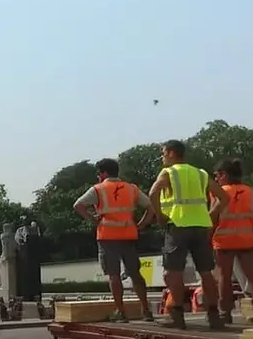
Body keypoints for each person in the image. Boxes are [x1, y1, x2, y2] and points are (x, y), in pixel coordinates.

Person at [148, 140, 230, 329]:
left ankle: (177, 314)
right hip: (201, 226)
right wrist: (209, 215)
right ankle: (213, 315)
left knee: (173, 273)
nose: (162, 157)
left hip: (177, 225)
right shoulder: (200, 173)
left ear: (170, 153)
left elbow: (153, 192)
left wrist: (160, 215)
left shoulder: (169, 172)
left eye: (163, 153)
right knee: (206, 273)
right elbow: (224, 197)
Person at [73, 158, 155, 322]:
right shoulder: (131, 188)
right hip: (129, 235)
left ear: (103, 173)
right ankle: (146, 310)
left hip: (107, 236)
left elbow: (78, 205)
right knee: (135, 273)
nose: (98, 177)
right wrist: (142, 224)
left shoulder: (98, 189)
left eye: (98, 174)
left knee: (114, 275)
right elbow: (150, 207)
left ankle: (121, 312)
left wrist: (93, 220)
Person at [211, 158, 253, 324]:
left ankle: (225, 314)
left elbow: (213, 217)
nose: (216, 179)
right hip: (247, 240)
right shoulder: (252, 192)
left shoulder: (218, 192)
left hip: (224, 240)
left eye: (217, 175)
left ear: (224, 175)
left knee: (224, 276)